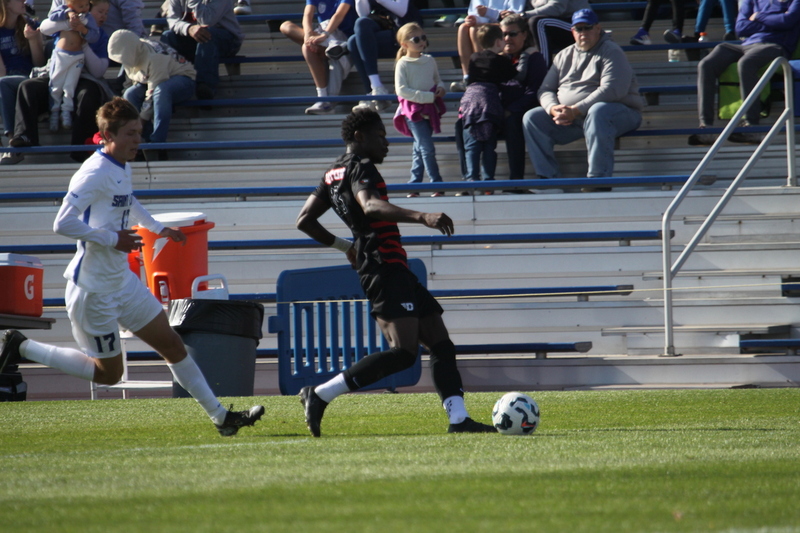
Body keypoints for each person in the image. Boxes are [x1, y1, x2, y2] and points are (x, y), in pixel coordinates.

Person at [0, 98, 264, 436]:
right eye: (130, 133)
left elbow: (128, 201)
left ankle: (221, 417)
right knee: (110, 374)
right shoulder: (92, 173)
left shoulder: (121, 164)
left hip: (121, 282)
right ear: (107, 135)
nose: (138, 140)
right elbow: (61, 223)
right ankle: (20, 346)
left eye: (139, 132)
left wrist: (157, 228)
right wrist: (112, 239)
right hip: (93, 291)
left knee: (172, 346)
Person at [295, 108, 497, 437]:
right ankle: (320, 394)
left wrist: (345, 246)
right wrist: (422, 217)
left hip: (393, 267)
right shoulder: (361, 167)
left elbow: (304, 219)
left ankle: (459, 420)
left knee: (441, 344)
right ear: (359, 136)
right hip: (382, 266)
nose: (386, 143)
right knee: (403, 353)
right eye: (380, 135)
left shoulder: (333, 172)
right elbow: (371, 206)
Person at [522, 9, 643, 188]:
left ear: (598, 28)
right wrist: (553, 109)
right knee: (532, 118)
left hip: (619, 114)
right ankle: (548, 180)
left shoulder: (612, 51)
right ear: (572, 32)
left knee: (598, 111)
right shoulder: (563, 55)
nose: (583, 33)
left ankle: (598, 180)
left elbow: (612, 90)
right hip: (576, 118)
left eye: (587, 28)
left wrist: (576, 110)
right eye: (578, 29)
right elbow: (545, 89)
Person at [2, 0, 111, 165]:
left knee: (88, 94)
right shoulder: (66, 20)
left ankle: (80, 150)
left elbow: (98, 71)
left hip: (84, 77)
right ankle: (24, 136)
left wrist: (84, 43)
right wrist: (67, 23)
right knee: (27, 86)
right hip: (55, 74)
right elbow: (45, 27)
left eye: (105, 13)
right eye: (99, 11)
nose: (103, 16)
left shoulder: (100, 36)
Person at [688, 0, 800, 146]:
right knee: (706, 64)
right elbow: (741, 27)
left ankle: (751, 126)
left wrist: (758, 16)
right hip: (746, 45)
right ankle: (706, 127)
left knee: (746, 63)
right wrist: (774, 21)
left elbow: (788, 21)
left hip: (775, 45)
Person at [108, 29, 195, 155]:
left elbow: (153, 92)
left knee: (161, 91)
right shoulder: (132, 53)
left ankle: (157, 143)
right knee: (129, 94)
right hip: (151, 81)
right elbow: (129, 82)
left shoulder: (155, 58)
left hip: (182, 79)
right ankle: (139, 141)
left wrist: (141, 121)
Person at [456, 24, 517, 194]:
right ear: (498, 42)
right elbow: (513, 77)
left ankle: (471, 179)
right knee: (489, 145)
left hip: (469, 101)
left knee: (471, 145)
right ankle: (488, 180)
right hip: (488, 102)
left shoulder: (475, 57)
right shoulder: (502, 61)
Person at [392, 22, 446, 197]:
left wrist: (441, 88)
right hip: (412, 112)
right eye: (416, 39)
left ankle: (414, 185)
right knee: (427, 148)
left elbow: (437, 79)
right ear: (404, 44)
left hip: (430, 110)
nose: (422, 42)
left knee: (419, 148)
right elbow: (401, 90)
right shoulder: (403, 64)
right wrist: (426, 97)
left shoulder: (429, 60)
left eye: (423, 38)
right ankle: (436, 184)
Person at [279, 0, 357, 115]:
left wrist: (325, 34)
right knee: (289, 29)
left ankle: (327, 102)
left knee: (333, 54)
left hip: (342, 37)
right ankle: (322, 98)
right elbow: (307, 14)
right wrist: (308, 35)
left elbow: (339, 14)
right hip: (322, 36)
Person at [348, 0, 422, 112]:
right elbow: (363, 14)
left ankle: (376, 92)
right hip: (383, 27)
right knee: (355, 37)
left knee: (355, 41)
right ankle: (374, 90)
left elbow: (401, 11)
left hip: (403, 31)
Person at [161, 0, 243, 99]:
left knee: (207, 34)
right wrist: (188, 28)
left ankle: (205, 87)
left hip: (227, 39)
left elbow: (207, 20)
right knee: (167, 36)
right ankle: (170, 83)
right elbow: (172, 21)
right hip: (194, 38)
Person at [41, 0, 100, 132]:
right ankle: (54, 113)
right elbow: (52, 18)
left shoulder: (87, 18)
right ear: (70, 5)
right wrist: (68, 14)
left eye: (86, 5)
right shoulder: (63, 11)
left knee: (69, 87)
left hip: (77, 56)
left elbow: (95, 36)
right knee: (56, 85)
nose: (84, 8)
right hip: (61, 55)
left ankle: (66, 113)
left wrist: (83, 30)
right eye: (81, 6)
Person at [449, 0, 525, 92]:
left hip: (505, 24)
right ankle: (467, 78)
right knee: (463, 28)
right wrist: (473, 19)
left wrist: (490, 13)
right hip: (488, 23)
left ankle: (483, 76)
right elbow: (476, 12)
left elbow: (514, 16)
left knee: (474, 30)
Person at [0, 0, 45, 141]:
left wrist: (32, 40)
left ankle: (13, 139)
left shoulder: (31, 25)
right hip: (6, 78)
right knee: (2, 83)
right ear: (6, 4)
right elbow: (1, 71)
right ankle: (13, 138)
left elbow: (39, 64)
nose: (24, 1)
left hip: (29, 77)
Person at [524, 0, 590, 67]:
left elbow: (556, 8)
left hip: (579, 25)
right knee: (518, 24)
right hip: (554, 23)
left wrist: (524, 14)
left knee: (538, 22)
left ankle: (543, 68)